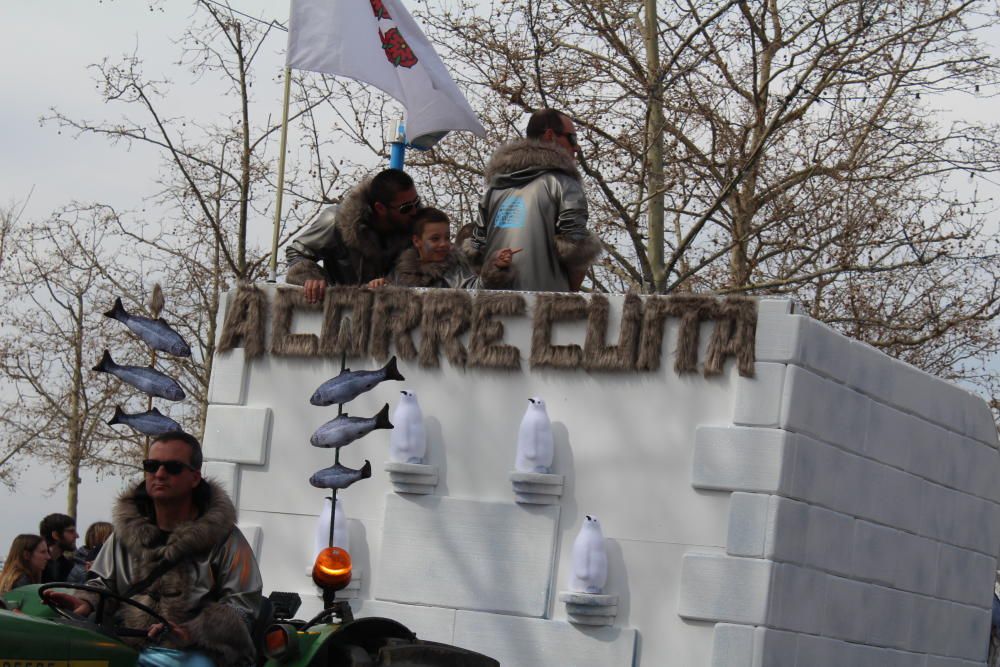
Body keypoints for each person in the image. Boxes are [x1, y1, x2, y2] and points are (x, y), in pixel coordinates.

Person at [45, 431, 263, 666]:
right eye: (152, 466)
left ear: (195, 477)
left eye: (173, 467)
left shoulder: (224, 538)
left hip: (198, 654)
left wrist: (193, 632)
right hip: (127, 647)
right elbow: (103, 583)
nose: (159, 474)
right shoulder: (125, 534)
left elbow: (242, 607)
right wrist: (87, 602)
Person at [472, 108, 602, 292]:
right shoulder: (564, 184)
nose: (577, 147)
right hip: (546, 310)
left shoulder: (493, 190)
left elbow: (475, 251)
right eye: (572, 138)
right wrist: (569, 291)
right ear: (550, 135)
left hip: (493, 309)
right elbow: (576, 249)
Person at [286, 168, 422, 303]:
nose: (415, 211)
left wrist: (393, 284)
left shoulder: (421, 229)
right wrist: (312, 278)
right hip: (342, 310)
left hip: (390, 312)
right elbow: (297, 251)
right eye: (406, 208)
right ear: (380, 208)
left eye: (417, 202)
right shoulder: (336, 222)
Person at [377, 207, 518, 289]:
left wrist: (495, 266)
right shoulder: (399, 272)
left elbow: (476, 288)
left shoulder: (456, 268)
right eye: (435, 239)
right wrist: (377, 286)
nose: (444, 244)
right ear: (417, 241)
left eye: (447, 237)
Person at [39, 512, 80, 583]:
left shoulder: (69, 565)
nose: (77, 536)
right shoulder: (36, 565)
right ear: (56, 535)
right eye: (71, 531)